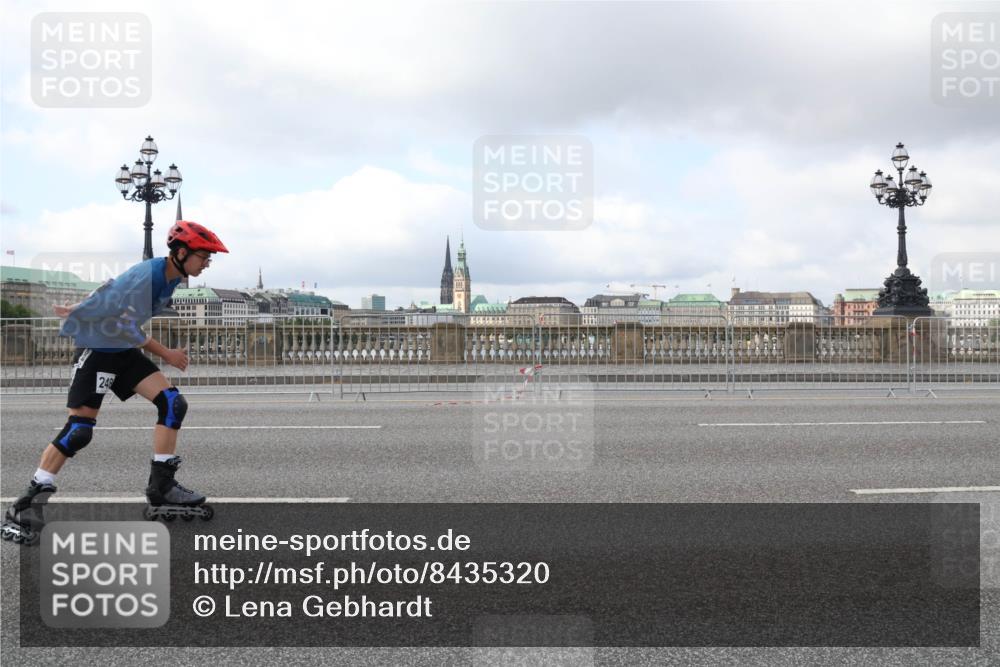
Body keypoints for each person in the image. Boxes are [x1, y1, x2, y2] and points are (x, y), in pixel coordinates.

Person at [1, 221, 229, 544]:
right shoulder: (150, 278)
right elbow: (126, 324)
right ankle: (25, 505)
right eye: (204, 256)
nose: (207, 262)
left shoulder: (172, 278)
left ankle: (161, 487)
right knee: (79, 430)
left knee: (172, 404)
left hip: (120, 348)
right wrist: (167, 353)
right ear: (181, 253)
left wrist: (79, 306)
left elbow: (110, 289)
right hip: (99, 348)